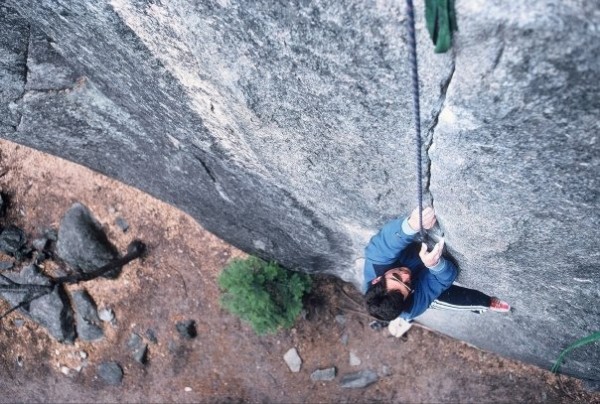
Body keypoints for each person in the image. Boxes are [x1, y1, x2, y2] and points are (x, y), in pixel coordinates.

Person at [363, 207, 510, 333]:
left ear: (377, 279)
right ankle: (486, 303)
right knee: (453, 300)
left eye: (396, 277)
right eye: (407, 285)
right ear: (407, 296)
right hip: (420, 292)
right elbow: (444, 279)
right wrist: (435, 265)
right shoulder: (412, 306)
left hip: (411, 270)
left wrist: (411, 225)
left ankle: (389, 316)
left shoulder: (376, 263)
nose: (406, 275)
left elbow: (385, 243)